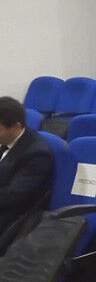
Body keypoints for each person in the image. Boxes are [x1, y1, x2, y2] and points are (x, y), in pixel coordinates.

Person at [0, 97, 53, 236]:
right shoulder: (7, 140)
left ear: (16, 127)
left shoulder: (36, 154)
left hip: (14, 217)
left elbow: (14, 196)